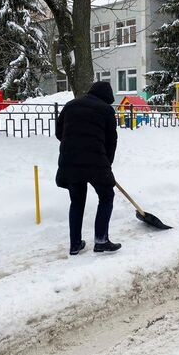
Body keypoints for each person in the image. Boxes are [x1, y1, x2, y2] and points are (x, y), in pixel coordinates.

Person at [55, 81, 121, 255]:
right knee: (107, 195)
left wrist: (74, 144)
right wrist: (107, 164)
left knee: (76, 201)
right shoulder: (106, 110)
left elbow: (58, 132)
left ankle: (75, 244)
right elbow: (111, 142)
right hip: (96, 163)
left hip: (70, 161)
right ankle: (101, 240)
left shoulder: (70, 105)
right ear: (107, 97)